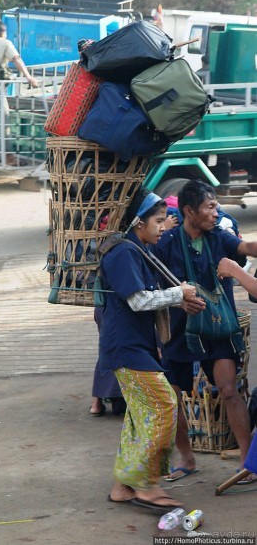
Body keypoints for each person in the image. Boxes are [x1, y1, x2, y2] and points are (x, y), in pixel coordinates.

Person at [152, 179, 257, 483]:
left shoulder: (220, 237)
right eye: (210, 207)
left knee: (229, 390)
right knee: (174, 398)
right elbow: (155, 288)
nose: (216, 212)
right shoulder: (168, 242)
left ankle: (247, 460)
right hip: (178, 329)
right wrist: (178, 301)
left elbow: (247, 247)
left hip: (219, 327)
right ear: (189, 211)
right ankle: (186, 458)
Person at [99, 188, 196, 510]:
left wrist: (178, 297)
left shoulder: (137, 249)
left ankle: (122, 486)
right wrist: (178, 293)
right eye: (157, 221)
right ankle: (147, 485)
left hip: (136, 345)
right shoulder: (124, 252)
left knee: (140, 417)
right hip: (125, 346)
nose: (162, 226)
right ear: (139, 222)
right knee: (163, 405)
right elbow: (139, 301)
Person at [0, 20, 38, 166]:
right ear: (3, 33)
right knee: (4, 118)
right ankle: (9, 157)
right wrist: (29, 77)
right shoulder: (5, 43)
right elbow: (16, 59)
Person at [90, 307, 126, 417]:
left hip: (103, 306)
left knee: (108, 351)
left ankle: (96, 402)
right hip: (121, 308)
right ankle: (98, 403)